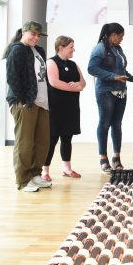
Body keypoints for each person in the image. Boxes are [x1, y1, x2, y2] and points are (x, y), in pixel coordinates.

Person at [4, 21, 51, 192]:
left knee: (42, 141)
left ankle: (35, 174)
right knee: (25, 142)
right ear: (24, 32)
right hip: (25, 102)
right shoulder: (17, 50)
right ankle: (23, 180)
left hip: (42, 102)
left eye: (38, 35)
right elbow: (12, 77)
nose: (36, 38)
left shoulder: (39, 51)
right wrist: (23, 100)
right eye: (33, 34)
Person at [88, 23, 133, 172]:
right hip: (106, 92)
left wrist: (132, 78)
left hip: (121, 92)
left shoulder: (117, 49)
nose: (122, 39)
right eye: (121, 36)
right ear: (113, 35)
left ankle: (116, 158)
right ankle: (103, 159)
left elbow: (121, 69)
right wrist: (113, 77)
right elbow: (92, 68)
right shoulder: (99, 48)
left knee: (117, 124)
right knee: (104, 123)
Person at [41, 36, 86, 182]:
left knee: (67, 138)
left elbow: (83, 82)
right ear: (61, 47)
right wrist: (75, 88)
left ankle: (67, 168)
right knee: (52, 139)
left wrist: (79, 86)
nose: (73, 50)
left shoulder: (73, 64)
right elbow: (54, 82)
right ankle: (45, 171)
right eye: (71, 47)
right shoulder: (51, 62)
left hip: (71, 107)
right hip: (56, 107)